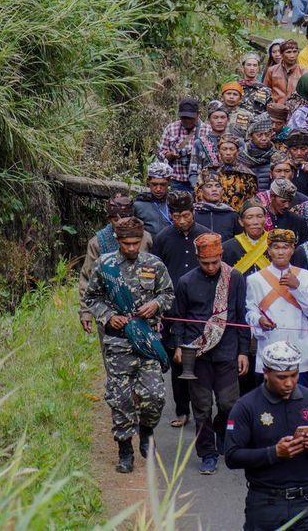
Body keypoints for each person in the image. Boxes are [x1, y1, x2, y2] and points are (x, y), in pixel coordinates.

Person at [82, 217, 174, 473]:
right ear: (118, 241)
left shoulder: (154, 264)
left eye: (135, 243)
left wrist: (156, 304)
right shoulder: (105, 265)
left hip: (147, 341)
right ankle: (125, 450)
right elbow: (92, 297)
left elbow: (168, 294)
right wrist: (109, 317)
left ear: (142, 240)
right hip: (118, 343)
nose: (131, 248)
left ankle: (146, 430)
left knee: (154, 396)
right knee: (120, 399)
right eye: (126, 243)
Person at [224, 341, 308, 531]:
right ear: (266, 372)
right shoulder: (245, 406)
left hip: (306, 503)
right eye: (282, 377)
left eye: (294, 375)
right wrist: (274, 453)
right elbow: (232, 456)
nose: (289, 383)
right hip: (264, 504)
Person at [172, 233, 249, 474]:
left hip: (227, 350)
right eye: (205, 263)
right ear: (197, 259)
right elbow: (179, 319)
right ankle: (207, 453)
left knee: (229, 403)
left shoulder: (234, 278)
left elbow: (240, 317)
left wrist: (243, 351)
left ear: (221, 256)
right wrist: (178, 346)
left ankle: (222, 429)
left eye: (215, 262)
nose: (211, 267)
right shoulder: (185, 282)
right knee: (202, 408)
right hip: (197, 354)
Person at [152, 192, 213, 429]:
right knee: (177, 358)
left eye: (185, 215)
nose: (181, 220)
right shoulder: (162, 238)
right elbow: (155, 273)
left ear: (193, 213)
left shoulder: (205, 236)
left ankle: (204, 408)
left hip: (201, 307)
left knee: (204, 357)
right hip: (173, 307)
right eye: (176, 216)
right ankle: (181, 409)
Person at [246, 229, 308, 386]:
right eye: (276, 247)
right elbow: (250, 312)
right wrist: (259, 320)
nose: (280, 252)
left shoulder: (307, 277)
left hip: (300, 348)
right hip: (270, 346)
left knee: (300, 398)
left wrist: (297, 288)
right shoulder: (255, 279)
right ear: (269, 250)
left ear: (292, 249)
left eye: (285, 247)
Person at [79, 194, 155, 335]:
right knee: (112, 351)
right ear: (109, 219)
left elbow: (157, 274)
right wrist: (86, 312)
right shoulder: (97, 242)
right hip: (110, 310)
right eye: (115, 219)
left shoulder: (145, 238)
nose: (121, 222)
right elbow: (87, 279)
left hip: (142, 309)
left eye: (126, 218)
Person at [157, 96, 210, 193]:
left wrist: (196, 155)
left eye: (190, 118)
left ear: (199, 114)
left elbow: (213, 158)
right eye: (183, 117)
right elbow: (161, 154)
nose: (187, 121)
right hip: (177, 181)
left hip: (202, 182)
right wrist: (171, 155)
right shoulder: (171, 128)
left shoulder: (207, 130)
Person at [211, 134, 259, 213]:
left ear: (237, 151)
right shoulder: (209, 171)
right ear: (219, 151)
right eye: (224, 149)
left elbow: (252, 201)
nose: (228, 153)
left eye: (232, 149)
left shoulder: (247, 174)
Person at [223, 201, 271, 277]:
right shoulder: (228, 248)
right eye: (250, 217)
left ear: (265, 219)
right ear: (241, 222)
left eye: (259, 216)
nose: (255, 222)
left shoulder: (275, 243)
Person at [193, 172, 239, 240]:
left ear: (222, 191)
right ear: (200, 191)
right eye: (209, 186)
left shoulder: (232, 215)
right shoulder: (193, 214)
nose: (214, 189)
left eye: (218, 186)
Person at [240, 114, 280, 190]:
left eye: (267, 134)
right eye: (259, 135)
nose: (264, 138)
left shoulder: (278, 156)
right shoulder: (240, 155)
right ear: (251, 136)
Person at [134, 162, 174, 237]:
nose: (158, 189)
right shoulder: (139, 205)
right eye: (154, 184)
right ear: (148, 182)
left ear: (169, 182)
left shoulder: (175, 202)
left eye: (162, 184)